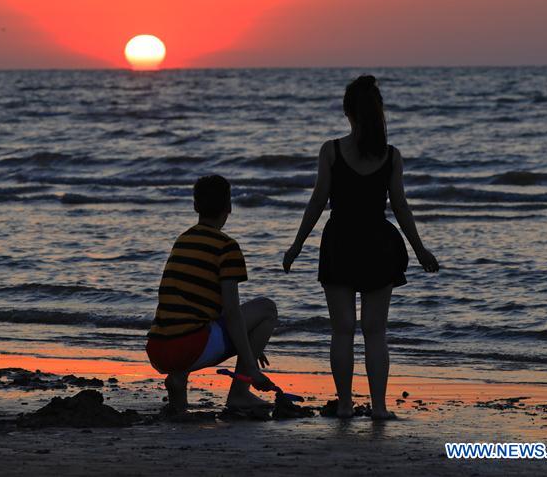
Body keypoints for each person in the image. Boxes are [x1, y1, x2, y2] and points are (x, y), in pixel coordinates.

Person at [282, 75, 439, 420]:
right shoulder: (391, 156)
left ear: (347, 112)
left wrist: (296, 245)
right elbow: (401, 207)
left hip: (339, 242)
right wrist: (420, 250)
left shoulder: (332, 150)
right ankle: (380, 408)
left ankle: (345, 405)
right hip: (378, 244)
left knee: (342, 330)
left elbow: (316, 202)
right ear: (378, 111)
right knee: (375, 331)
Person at [146, 175, 277, 416]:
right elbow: (232, 312)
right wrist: (250, 362)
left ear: (195, 206)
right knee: (267, 308)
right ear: (229, 207)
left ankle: (178, 378)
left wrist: (246, 343)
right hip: (188, 348)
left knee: (191, 320)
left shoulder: (183, 240)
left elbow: (197, 302)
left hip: (158, 347)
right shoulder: (227, 247)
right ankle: (239, 392)